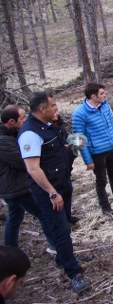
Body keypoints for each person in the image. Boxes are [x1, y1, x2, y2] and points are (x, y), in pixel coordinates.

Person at [17, 91, 91, 293]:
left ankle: (65, 257)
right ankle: (74, 273)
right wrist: (51, 192)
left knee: (65, 224)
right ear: (43, 109)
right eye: (53, 106)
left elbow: (56, 149)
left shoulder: (50, 126)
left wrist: (71, 146)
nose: (56, 109)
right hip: (49, 192)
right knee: (61, 230)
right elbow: (33, 168)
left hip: (63, 184)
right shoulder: (30, 133)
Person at [0, 106, 55, 253]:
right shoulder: (3, 141)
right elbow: (23, 161)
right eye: (23, 118)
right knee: (43, 214)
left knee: (15, 217)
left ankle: (10, 250)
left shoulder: (11, 135)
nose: (26, 120)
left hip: (11, 188)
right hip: (16, 189)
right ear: (12, 121)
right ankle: (55, 247)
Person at [72, 83, 113, 216]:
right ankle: (106, 208)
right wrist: (88, 161)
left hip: (111, 149)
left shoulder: (105, 106)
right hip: (97, 153)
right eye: (102, 93)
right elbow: (78, 139)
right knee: (101, 181)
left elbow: (111, 127)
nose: (105, 95)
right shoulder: (79, 114)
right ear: (93, 96)